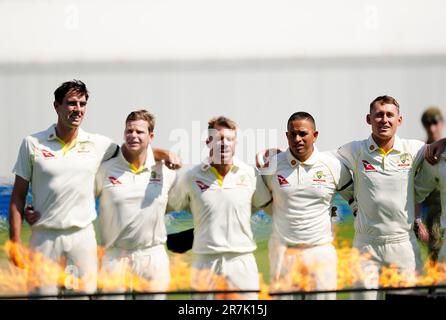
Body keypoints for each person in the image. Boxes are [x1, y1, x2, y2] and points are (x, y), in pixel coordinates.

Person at [8, 80, 180, 296]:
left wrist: (163, 154)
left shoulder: (99, 144)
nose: (77, 109)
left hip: (82, 237)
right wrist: (14, 243)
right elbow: (18, 196)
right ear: (56, 106)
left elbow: (134, 149)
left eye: (82, 103)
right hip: (44, 236)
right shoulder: (32, 143)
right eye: (71, 103)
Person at [336, 95, 437, 300]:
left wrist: (442, 141)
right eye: (379, 115)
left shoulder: (413, 149)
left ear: (399, 120)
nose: (384, 120)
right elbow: (319, 161)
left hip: (402, 245)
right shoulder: (355, 150)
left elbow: (436, 152)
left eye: (390, 115)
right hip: (366, 246)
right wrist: (282, 155)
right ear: (369, 119)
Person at [168, 116, 272, 300]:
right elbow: (165, 206)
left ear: (236, 142)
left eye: (229, 139)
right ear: (208, 142)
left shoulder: (249, 174)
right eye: (218, 139)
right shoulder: (191, 176)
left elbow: (267, 205)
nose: (224, 144)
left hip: (241, 261)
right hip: (205, 263)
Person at [260, 112, 353, 300]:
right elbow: (262, 201)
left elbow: (354, 197)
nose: (297, 139)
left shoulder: (332, 165)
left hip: (320, 252)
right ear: (286, 136)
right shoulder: (272, 166)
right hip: (284, 253)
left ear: (315, 135)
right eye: (292, 134)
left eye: (303, 134)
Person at [96, 110, 176, 300]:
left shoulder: (166, 171)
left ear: (151, 136)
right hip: (114, 257)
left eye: (139, 132)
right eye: (129, 131)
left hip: (152, 256)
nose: (133, 136)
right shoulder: (106, 169)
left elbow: (181, 202)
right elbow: (80, 198)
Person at [419, 107, 444, 262]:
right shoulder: (420, 151)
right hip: (432, 211)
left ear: (442, 123)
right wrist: (418, 222)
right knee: (435, 253)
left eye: (435, 122)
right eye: (427, 124)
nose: (432, 128)